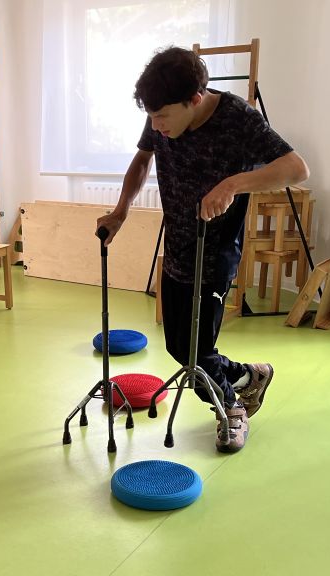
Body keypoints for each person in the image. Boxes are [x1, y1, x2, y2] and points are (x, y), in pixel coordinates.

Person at [96, 47, 309, 453]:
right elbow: (143, 160)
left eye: (162, 117)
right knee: (180, 346)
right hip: (177, 246)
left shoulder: (237, 119)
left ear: (194, 99)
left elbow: (297, 169)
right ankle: (249, 375)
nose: (156, 127)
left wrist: (232, 184)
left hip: (215, 255)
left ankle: (231, 409)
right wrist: (121, 212)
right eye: (152, 117)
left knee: (196, 354)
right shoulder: (163, 110)